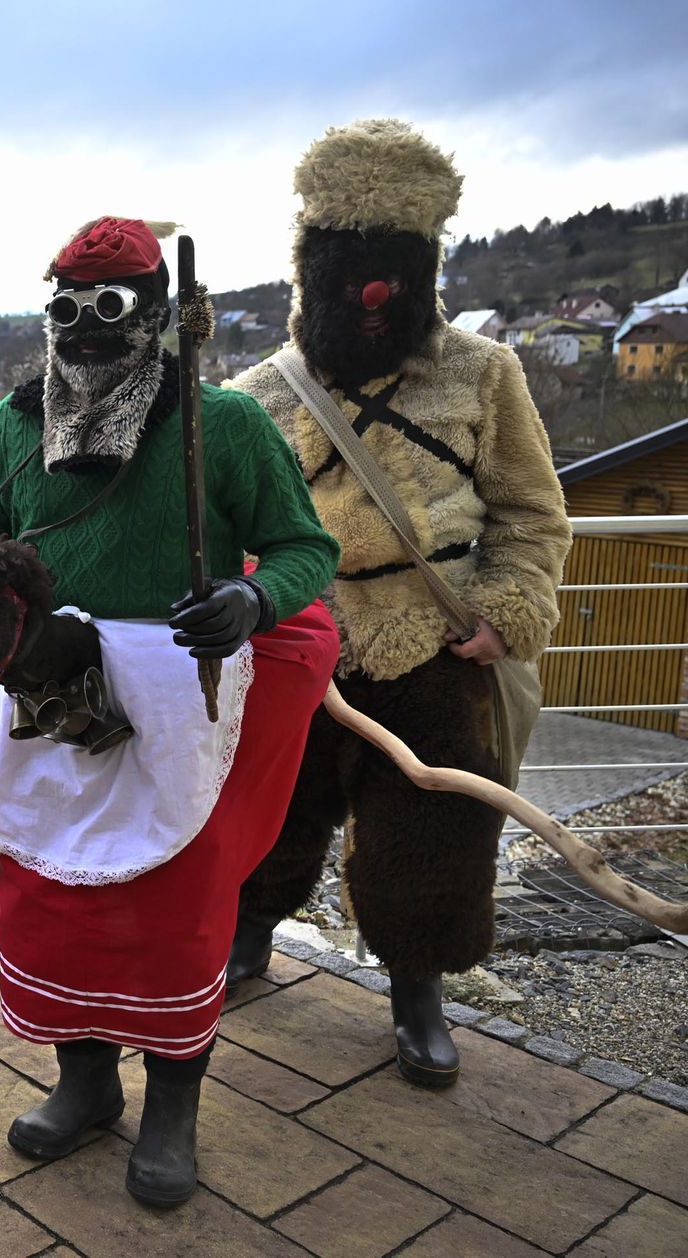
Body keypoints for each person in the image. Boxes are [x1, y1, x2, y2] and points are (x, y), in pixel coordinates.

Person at [0, 216, 340, 1206]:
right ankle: (84, 1089)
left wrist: (252, 598)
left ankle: (171, 1109)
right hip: (46, 701)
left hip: (175, 715)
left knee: (168, 914)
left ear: (156, 315)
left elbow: (303, 549)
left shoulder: (226, 424)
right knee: (48, 903)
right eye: (65, 310)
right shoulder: (13, 426)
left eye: (109, 308)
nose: (82, 330)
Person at [227, 120, 570, 1086]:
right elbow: (219, 529)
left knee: (434, 827)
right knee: (272, 807)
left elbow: (533, 512)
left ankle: (417, 980)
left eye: (392, 269)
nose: (371, 294)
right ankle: (248, 931)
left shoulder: (484, 373)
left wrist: (507, 607)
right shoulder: (255, 395)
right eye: (350, 270)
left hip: (434, 641)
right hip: (300, 643)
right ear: (312, 274)